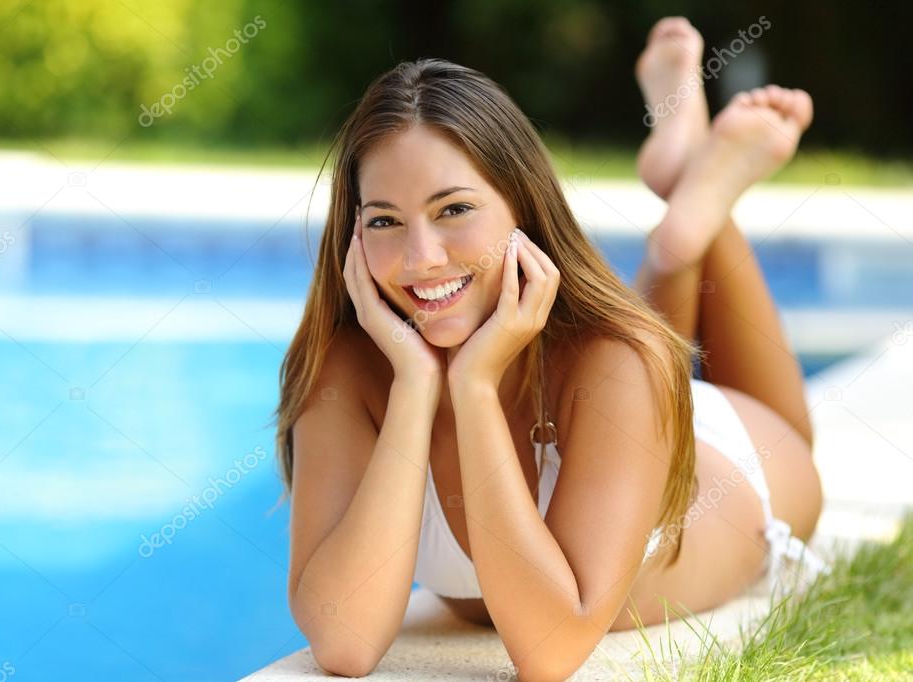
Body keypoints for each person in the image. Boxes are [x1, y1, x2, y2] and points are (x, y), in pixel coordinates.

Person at [276, 17, 829, 679]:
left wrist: (474, 388)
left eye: (453, 209)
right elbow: (344, 642)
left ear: (522, 208)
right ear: (353, 236)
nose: (420, 258)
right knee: (634, 348)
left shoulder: (612, 361)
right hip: (624, 406)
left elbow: (549, 652)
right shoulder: (351, 368)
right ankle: (685, 199)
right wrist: (416, 386)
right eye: (385, 221)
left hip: (738, 463)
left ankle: (688, 232)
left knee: (648, 360)